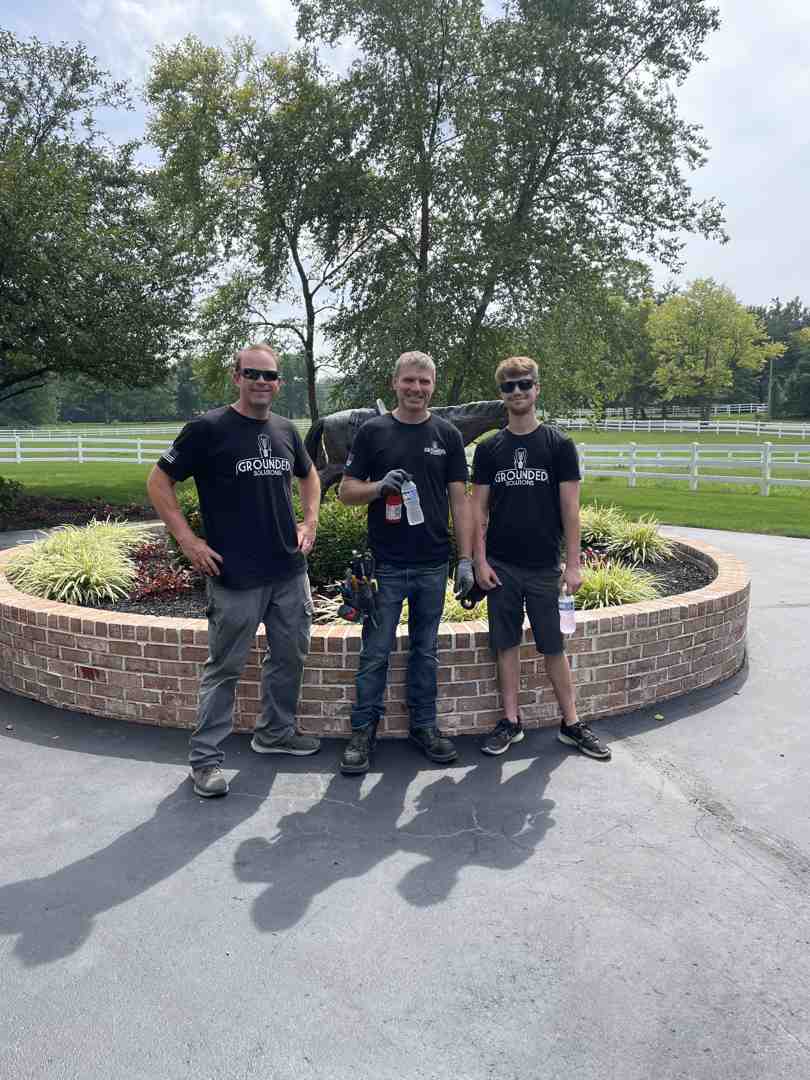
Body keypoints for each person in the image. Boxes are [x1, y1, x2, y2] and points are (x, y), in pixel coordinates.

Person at [147, 343, 322, 798]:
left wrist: (310, 521)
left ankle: (275, 734)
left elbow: (310, 475)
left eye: (270, 376)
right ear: (236, 376)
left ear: (280, 382)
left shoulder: (286, 429)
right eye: (253, 374)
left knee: (290, 657)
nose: (262, 382)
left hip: (288, 570)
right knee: (225, 668)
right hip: (234, 574)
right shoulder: (207, 429)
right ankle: (205, 761)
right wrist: (188, 541)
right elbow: (158, 480)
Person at [337, 351, 474, 775]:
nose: (417, 388)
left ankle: (424, 727)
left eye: (425, 382)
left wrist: (465, 560)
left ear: (433, 385)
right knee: (375, 653)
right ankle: (362, 732)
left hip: (433, 564)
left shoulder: (448, 435)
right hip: (387, 567)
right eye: (409, 381)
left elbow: (460, 501)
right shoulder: (373, 432)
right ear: (395, 382)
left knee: (425, 652)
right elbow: (344, 491)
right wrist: (379, 487)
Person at [470, 356, 611, 761]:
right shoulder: (490, 449)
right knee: (507, 644)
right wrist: (480, 561)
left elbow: (571, 510)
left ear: (537, 389)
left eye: (524, 384)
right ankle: (511, 721)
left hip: (544, 567)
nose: (517, 392)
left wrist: (573, 563)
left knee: (553, 647)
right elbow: (479, 510)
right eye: (509, 386)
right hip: (502, 565)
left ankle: (571, 723)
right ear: (502, 394)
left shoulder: (558, 445)